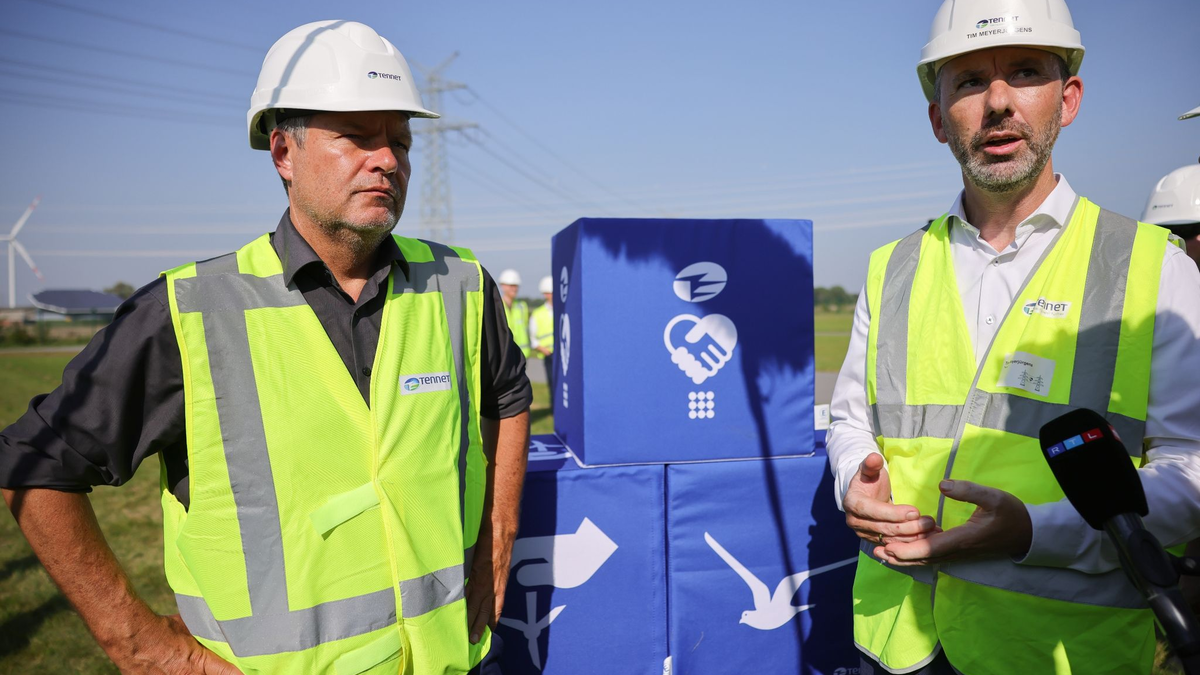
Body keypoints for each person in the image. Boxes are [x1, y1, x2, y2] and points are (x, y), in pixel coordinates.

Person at [0, 21, 530, 675]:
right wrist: (140, 646)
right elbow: (33, 464)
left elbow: (509, 396)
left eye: (399, 140)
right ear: (283, 152)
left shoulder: (460, 285)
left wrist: (498, 531)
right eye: (356, 136)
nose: (388, 161)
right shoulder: (189, 312)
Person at [826, 1, 1200, 673]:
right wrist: (856, 478)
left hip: (1061, 653)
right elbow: (852, 421)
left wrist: (1033, 530)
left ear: (1069, 99)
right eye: (970, 81)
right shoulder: (891, 269)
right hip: (901, 643)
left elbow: (1191, 471)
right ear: (938, 119)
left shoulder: (1153, 268)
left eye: (1025, 72)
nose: (998, 101)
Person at [529, 276, 555, 391]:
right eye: (549, 293)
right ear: (545, 294)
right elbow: (532, 338)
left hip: (563, 354)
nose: (552, 296)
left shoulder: (562, 311)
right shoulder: (538, 313)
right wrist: (543, 349)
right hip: (548, 354)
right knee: (553, 384)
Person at [497, 269, 531, 358]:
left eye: (516, 286)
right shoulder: (497, 306)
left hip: (522, 354)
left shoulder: (522, 306)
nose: (514, 289)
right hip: (503, 354)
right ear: (502, 286)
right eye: (511, 285)